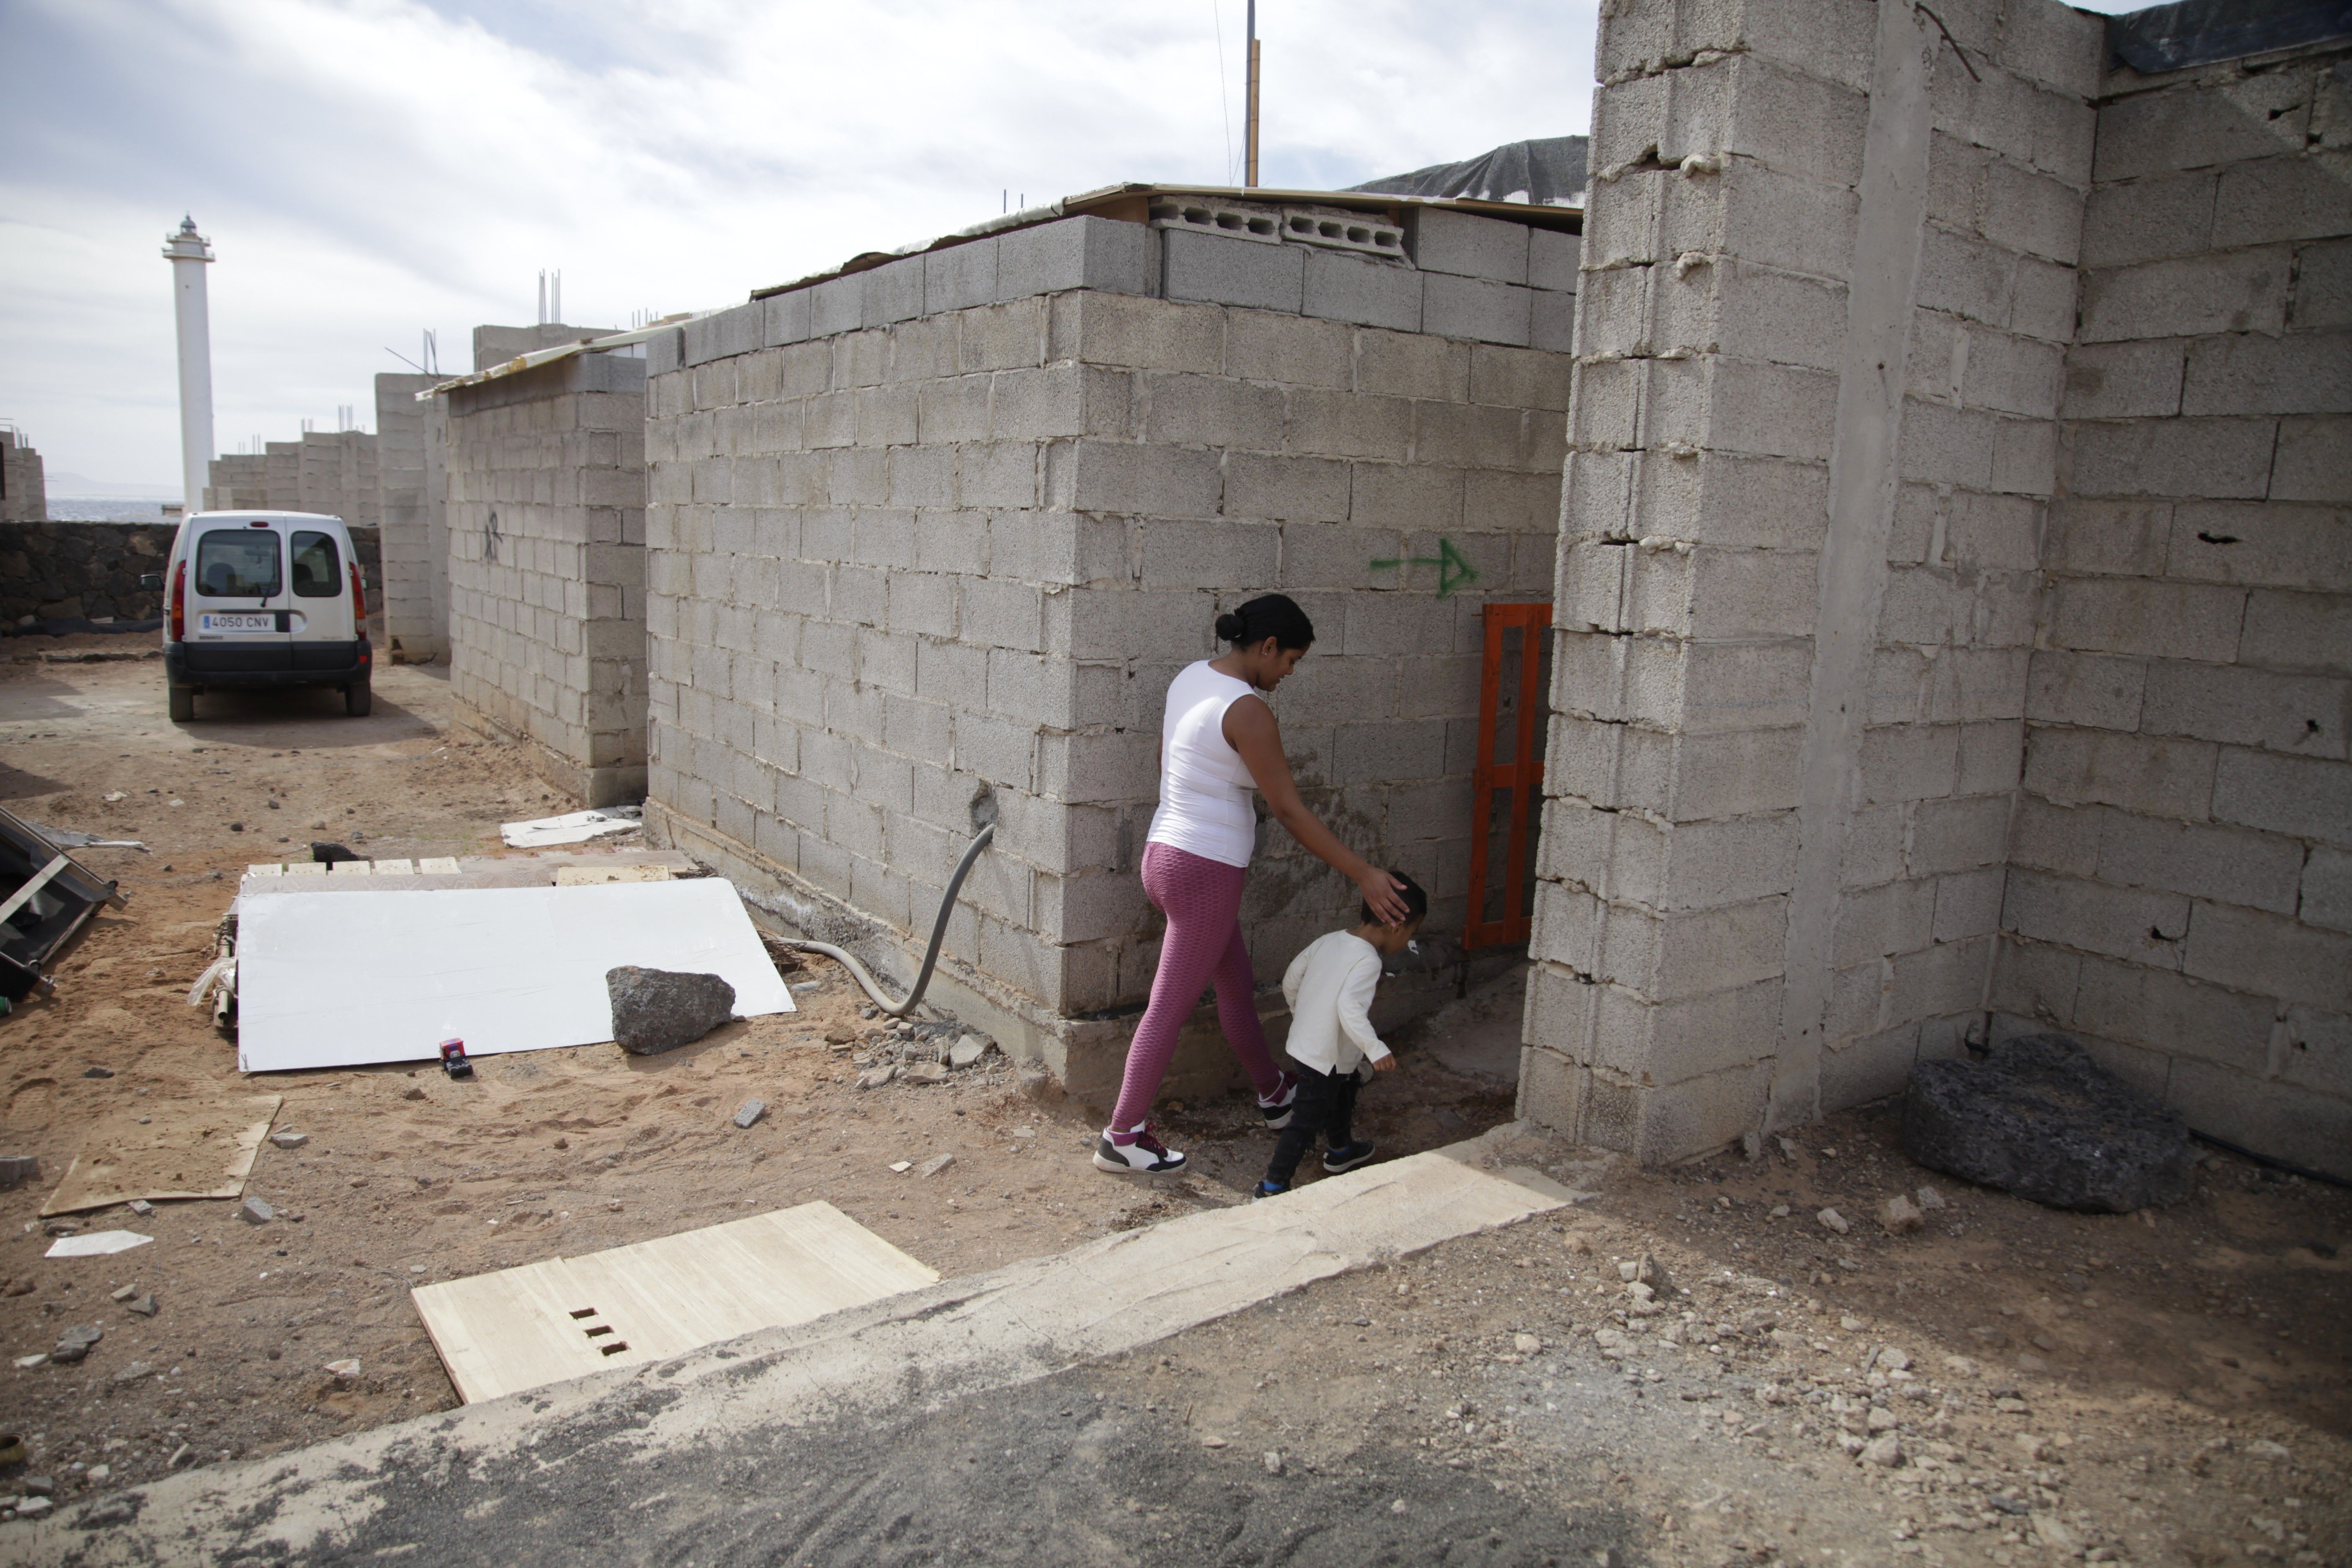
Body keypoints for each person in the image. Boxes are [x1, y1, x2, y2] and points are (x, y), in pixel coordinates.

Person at [1093, 594, 1413, 1176]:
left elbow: (1174, 759)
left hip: (1166, 855)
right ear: (1267, 647)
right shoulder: (1249, 712)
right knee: (1168, 1009)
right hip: (1205, 871)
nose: (1288, 674)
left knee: (1235, 986)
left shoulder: (1193, 679)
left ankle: (1273, 1094)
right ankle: (1123, 1135)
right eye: (1290, 661)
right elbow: (1289, 810)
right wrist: (1364, 873)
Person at [1254, 872, 1428, 1198]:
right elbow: (1350, 1007)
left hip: (1310, 1047)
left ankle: (1340, 1151)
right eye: (1412, 932)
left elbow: (1293, 977)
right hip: (1326, 1057)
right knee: (1305, 1122)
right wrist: (1375, 1049)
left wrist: (1303, 1015)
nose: (1407, 940)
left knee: (1343, 1095)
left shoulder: (1331, 939)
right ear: (1396, 927)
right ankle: (1273, 1185)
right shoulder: (1368, 961)